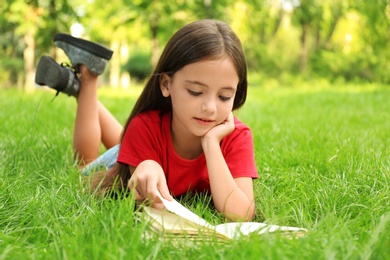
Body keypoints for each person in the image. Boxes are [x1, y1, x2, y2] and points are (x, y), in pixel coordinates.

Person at [35, 19, 258, 221]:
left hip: (144, 141)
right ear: (166, 84)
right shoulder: (144, 127)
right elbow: (154, 204)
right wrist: (146, 164)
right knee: (84, 166)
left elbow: (241, 214)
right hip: (136, 148)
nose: (209, 107)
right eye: (195, 92)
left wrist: (210, 144)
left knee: (127, 139)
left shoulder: (236, 135)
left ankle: (79, 89)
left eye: (224, 96)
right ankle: (89, 80)